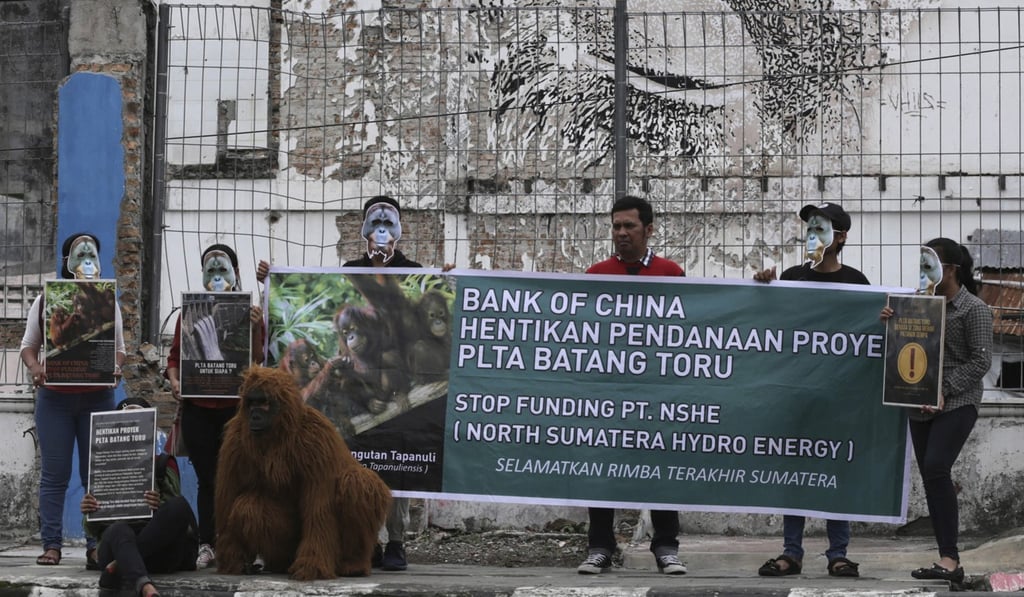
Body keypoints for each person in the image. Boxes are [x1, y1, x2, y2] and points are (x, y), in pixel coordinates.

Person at [257, 195, 428, 572]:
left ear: (398, 232)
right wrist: (269, 281)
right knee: (357, 470)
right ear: (364, 233)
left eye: (388, 225)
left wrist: (449, 275)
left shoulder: (411, 270)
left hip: (395, 379)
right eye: (375, 226)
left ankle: (396, 541)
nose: (381, 234)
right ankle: (365, 543)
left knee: (396, 467)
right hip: (361, 389)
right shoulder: (351, 270)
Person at [753, 202, 868, 578]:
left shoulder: (857, 282)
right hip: (796, 394)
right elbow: (771, 330)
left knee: (838, 471)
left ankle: (838, 553)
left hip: (839, 397)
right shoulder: (790, 277)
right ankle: (791, 552)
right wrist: (764, 291)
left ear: (841, 236)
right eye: (810, 227)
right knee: (796, 472)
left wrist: (886, 317)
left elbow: (868, 337)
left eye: (822, 227)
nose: (813, 233)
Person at [578, 194, 686, 575]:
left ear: (649, 229)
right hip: (608, 392)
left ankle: (666, 546)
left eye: (629, 226)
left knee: (660, 468)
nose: (621, 233)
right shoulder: (596, 274)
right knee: (601, 468)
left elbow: (687, 331)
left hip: (657, 393)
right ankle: (600, 546)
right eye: (616, 226)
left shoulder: (672, 274)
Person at [880, 237, 992, 583]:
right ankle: (948, 561)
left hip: (958, 401)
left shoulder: (973, 309)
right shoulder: (915, 305)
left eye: (929, 263)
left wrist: (944, 389)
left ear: (951, 270)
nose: (923, 270)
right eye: (921, 263)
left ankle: (950, 559)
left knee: (936, 466)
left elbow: (981, 361)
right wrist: (890, 323)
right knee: (932, 476)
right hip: (919, 403)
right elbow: (904, 350)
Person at [20, 232, 126, 567]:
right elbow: (28, 346)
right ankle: (52, 544)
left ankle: (96, 544)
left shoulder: (107, 301)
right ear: (67, 263)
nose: (86, 262)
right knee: (55, 474)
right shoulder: (45, 301)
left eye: (91, 254)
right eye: (79, 256)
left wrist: (116, 368)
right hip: (55, 401)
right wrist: (36, 368)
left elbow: (119, 350)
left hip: (97, 398)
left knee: (96, 474)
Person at [164, 244, 264, 569]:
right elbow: (175, 359)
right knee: (209, 480)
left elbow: (259, 361)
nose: (218, 277)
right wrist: (176, 382)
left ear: (236, 274)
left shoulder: (251, 314)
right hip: (198, 410)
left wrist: (254, 327)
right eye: (212, 271)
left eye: (224, 271)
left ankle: (241, 545)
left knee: (240, 477)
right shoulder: (189, 313)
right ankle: (208, 543)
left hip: (235, 413)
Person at [80, 396, 199, 597]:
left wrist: (158, 503)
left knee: (179, 505)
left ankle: (121, 564)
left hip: (158, 550)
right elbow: (92, 529)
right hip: (117, 543)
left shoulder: (162, 463)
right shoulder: (102, 466)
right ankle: (145, 586)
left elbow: (176, 519)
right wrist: (89, 510)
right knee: (119, 529)